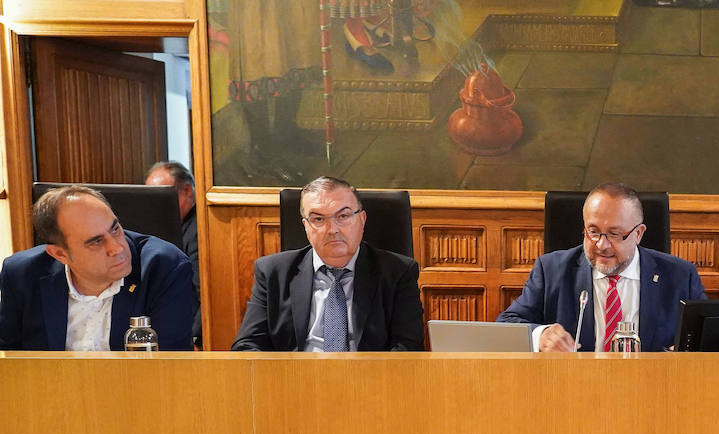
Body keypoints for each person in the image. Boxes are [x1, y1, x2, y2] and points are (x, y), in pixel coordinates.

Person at [498, 182, 706, 352]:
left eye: (614, 234)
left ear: (638, 234)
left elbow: (706, 337)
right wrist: (541, 335)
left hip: (654, 391)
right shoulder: (552, 270)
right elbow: (506, 324)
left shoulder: (679, 276)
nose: (601, 245)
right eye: (593, 231)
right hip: (574, 389)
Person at [231, 176, 424, 351]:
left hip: (367, 383)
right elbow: (247, 346)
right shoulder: (273, 272)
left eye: (343, 216)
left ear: (362, 220)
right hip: (296, 381)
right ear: (306, 226)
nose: (332, 229)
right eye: (318, 219)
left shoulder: (397, 272)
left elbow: (407, 347)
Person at [0, 185, 195, 350]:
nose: (117, 248)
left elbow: (170, 368)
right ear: (60, 254)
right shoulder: (23, 276)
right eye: (96, 242)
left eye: (115, 229)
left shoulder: (163, 268)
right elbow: (9, 363)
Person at [145, 161, 201, 344]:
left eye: (161, 197)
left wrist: (195, 339)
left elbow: (204, 293)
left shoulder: (201, 230)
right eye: (150, 199)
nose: (154, 206)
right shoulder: (164, 228)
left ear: (187, 191)